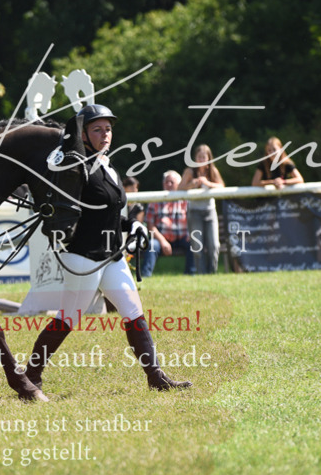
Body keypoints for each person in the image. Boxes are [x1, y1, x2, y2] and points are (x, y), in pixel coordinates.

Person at [22, 104, 192, 392]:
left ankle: (156, 377)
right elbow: (69, 212)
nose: (105, 134)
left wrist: (132, 226)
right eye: (97, 129)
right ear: (84, 135)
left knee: (133, 311)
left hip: (112, 257)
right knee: (69, 318)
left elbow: (111, 211)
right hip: (84, 257)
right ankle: (31, 374)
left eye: (108, 129)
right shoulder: (77, 168)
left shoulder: (108, 165)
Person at [180, 144, 224, 274]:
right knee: (197, 247)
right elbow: (179, 188)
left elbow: (222, 186)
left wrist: (208, 183)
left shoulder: (212, 171)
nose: (201, 160)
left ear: (209, 159)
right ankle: (201, 274)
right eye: (199, 157)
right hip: (194, 212)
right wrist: (192, 184)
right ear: (195, 158)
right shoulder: (190, 172)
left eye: (204, 157)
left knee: (214, 245)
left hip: (210, 212)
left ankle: (212, 273)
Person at [140, 171, 188, 278]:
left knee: (194, 244)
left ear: (178, 184)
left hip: (182, 238)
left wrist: (190, 234)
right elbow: (150, 225)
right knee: (152, 245)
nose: (169, 184)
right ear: (163, 184)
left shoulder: (185, 200)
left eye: (172, 182)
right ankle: (145, 276)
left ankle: (191, 274)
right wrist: (163, 241)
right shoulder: (155, 200)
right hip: (161, 238)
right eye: (167, 182)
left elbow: (192, 220)